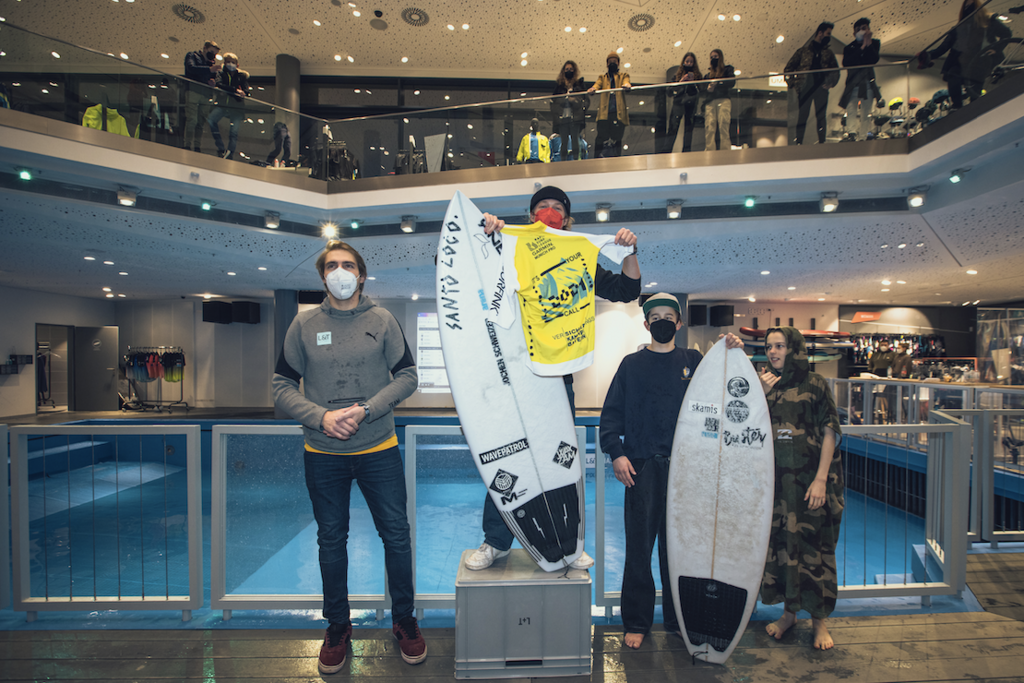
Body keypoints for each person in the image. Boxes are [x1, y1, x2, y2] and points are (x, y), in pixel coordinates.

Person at [466, 185, 640, 570]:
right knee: (506, 457)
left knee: (560, 461)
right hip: (513, 376)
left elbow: (627, 289)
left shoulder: (579, 256)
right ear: (529, 217)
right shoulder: (510, 248)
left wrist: (629, 251)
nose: (549, 211)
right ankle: (495, 541)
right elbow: (468, 269)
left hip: (557, 375)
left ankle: (569, 543)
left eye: (557, 207)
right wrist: (486, 233)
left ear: (569, 218)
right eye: (541, 206)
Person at [272, 241, 426, 673]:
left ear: (361, 275)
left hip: (379, 448)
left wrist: (366, 410)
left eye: (349, 265)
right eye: (332, 266)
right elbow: (281, 385)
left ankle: (404, 621)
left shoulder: (382, 320)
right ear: (323, 276)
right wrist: (321, 417)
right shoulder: (303, 325)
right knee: (330, 540)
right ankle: (338, 626)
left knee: (396, 536)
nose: (340, 272)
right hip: (323, 453)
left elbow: (409, 376)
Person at [601, 293, 743, 649]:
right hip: (643, 469)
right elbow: (610, 417)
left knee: (681, 551)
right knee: (639, 550)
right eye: (656, 317)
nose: (663, 322)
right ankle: (637, 621)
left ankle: (680, 619)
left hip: (687, 470)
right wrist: (617, 454)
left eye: (670, 316)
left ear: (679, 323)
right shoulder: (630, 366)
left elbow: (725, 388)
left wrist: (733, 349)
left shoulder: (694, 361)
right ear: (647, 324)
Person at [758, 327, 843, 650]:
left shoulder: (815, 384)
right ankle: (789, 614)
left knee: (814, 550)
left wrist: (821, 478)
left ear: (795, 348)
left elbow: (830, 430)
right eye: (769, 347)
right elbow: (750, 427)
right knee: (784, 549)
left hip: (811, 484)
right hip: (779, 488)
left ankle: (820, 621)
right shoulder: (767, 385)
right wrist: (759, 395)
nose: (773, 352)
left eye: (780, 346)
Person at [916, 0, 1011, 110]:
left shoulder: (988, 21)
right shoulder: (959, 28)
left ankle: (971, 108)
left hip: (980, 59)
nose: (968, 7)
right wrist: (926, 55)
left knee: (974, 87)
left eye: (970, 4)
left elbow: (1006, 34)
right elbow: (943, 48)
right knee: (953, 76)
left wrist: (996, 49)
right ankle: (958, 106)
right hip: (961, 60)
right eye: (966, 5)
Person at [785, 23, 840, 145]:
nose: (828, 37)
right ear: (820, 33)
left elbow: (836, 71)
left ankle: (821, 141)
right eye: (827, 33)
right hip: (805, 87)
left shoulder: (828, 53)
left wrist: (831, 83)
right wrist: (794, 84)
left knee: (821, 116)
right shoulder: (803, 52)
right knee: (802, 116)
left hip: (821, 87)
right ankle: (799, 141)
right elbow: (788, 69)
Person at [838, 18, 884, 141]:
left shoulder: (874, 44)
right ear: (854, 33)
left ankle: (863, 136)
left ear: (868, 29)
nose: (861, 32)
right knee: (851, 109)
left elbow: (873, 59)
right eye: (858, 30)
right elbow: (848, 62)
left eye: (864, 28)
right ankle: (852, 133)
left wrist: (868, 44)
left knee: (866, 111)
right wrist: (862, 47)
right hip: (853, 83)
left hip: (867, 82)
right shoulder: (849, 48)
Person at [207, 52, 249, 160]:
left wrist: (242, 92)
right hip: (223, 104)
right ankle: (221, 148)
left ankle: (229, 154)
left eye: (233, 62)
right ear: (224, 63)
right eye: (228, 62)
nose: (231, 64)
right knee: (211, 119)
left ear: (237, 65)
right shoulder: (221, 73)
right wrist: (235, 90)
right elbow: (219, 84)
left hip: (236, 107)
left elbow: (246, 90)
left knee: (233, 132)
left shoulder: (242, 76)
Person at [588, 52, 631, 157]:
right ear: (607, 64)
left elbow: (626, 81)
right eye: (610, 62)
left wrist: (627, 85)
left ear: (618, 63)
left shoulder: (623, 76)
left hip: (618, 112)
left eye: (614, 61)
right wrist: (593, 89)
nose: (612, 63)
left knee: (617, 138)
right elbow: (596, 85)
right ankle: (597, 158)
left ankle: (616, 160)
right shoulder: (603, 77)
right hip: (605, 113)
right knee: (601, 136)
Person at [182, 40, 221, 153]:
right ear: (205, 48)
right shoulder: (192, 55)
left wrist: (213, 81)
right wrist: (209, 69)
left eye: (215, 54)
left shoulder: (211, 62)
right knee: (192, 119)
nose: (213, 55)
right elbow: (191, 68)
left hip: (205, 94)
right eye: (211, 52)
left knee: (201, 121)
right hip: (193, 90)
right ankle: (187, 145)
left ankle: (197, 146)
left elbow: (214, 78)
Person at [551, 60, 589, 161]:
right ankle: (563, 161)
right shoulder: (559, 86)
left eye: (571, 69)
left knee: (575, 139)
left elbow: (585, 100)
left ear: (574, 71)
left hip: (575, 117)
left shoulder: (579, 85)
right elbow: (554, 101)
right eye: (567, 69)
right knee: (563, 140)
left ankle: (576, 160)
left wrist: (575, 101)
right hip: (563, 116)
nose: (569, 71)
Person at [663, 53, 701, 153]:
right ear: (683, 62)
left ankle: (686, 151)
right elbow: (669, 91)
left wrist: (693, 83)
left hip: (691, 103)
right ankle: (667, 151)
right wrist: (680, 82)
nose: (689, 63)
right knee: (673, 126)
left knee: (689, 128)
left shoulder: (698, 76)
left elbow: (701, 90)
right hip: (678, 102)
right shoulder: (677, 76)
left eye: (691, 62)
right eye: (687, 61)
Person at [703, 49, 736, 150]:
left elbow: (731, 83)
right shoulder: (708, 76)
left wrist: (719, 83)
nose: (714, 59)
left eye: (716, 56)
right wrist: (709, 88)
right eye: (712, 57)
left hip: (723, 99)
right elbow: (702, 90)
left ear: (720, 57)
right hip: (710, 101)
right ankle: (709, 152)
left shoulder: (727, 70)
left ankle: (725, 151)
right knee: (710, 127)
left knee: (723, 125)